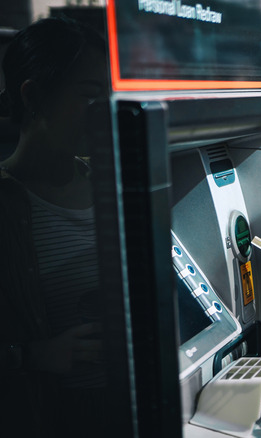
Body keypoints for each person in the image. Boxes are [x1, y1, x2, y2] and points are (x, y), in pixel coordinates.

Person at [0, 17, 109, 437]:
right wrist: (34, 355)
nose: (104, 110)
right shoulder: (7, 203)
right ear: (33, 96)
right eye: (89, 94)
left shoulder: (112, 183)